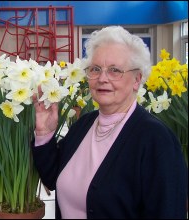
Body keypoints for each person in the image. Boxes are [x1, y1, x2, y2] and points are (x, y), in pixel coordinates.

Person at [32, 26, 187, 219]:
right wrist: (45, 133)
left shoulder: (156, 139)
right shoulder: (84, 125)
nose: (102, 78)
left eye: (114, 70)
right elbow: (54, 177)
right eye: (96, 69)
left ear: (137, 79)